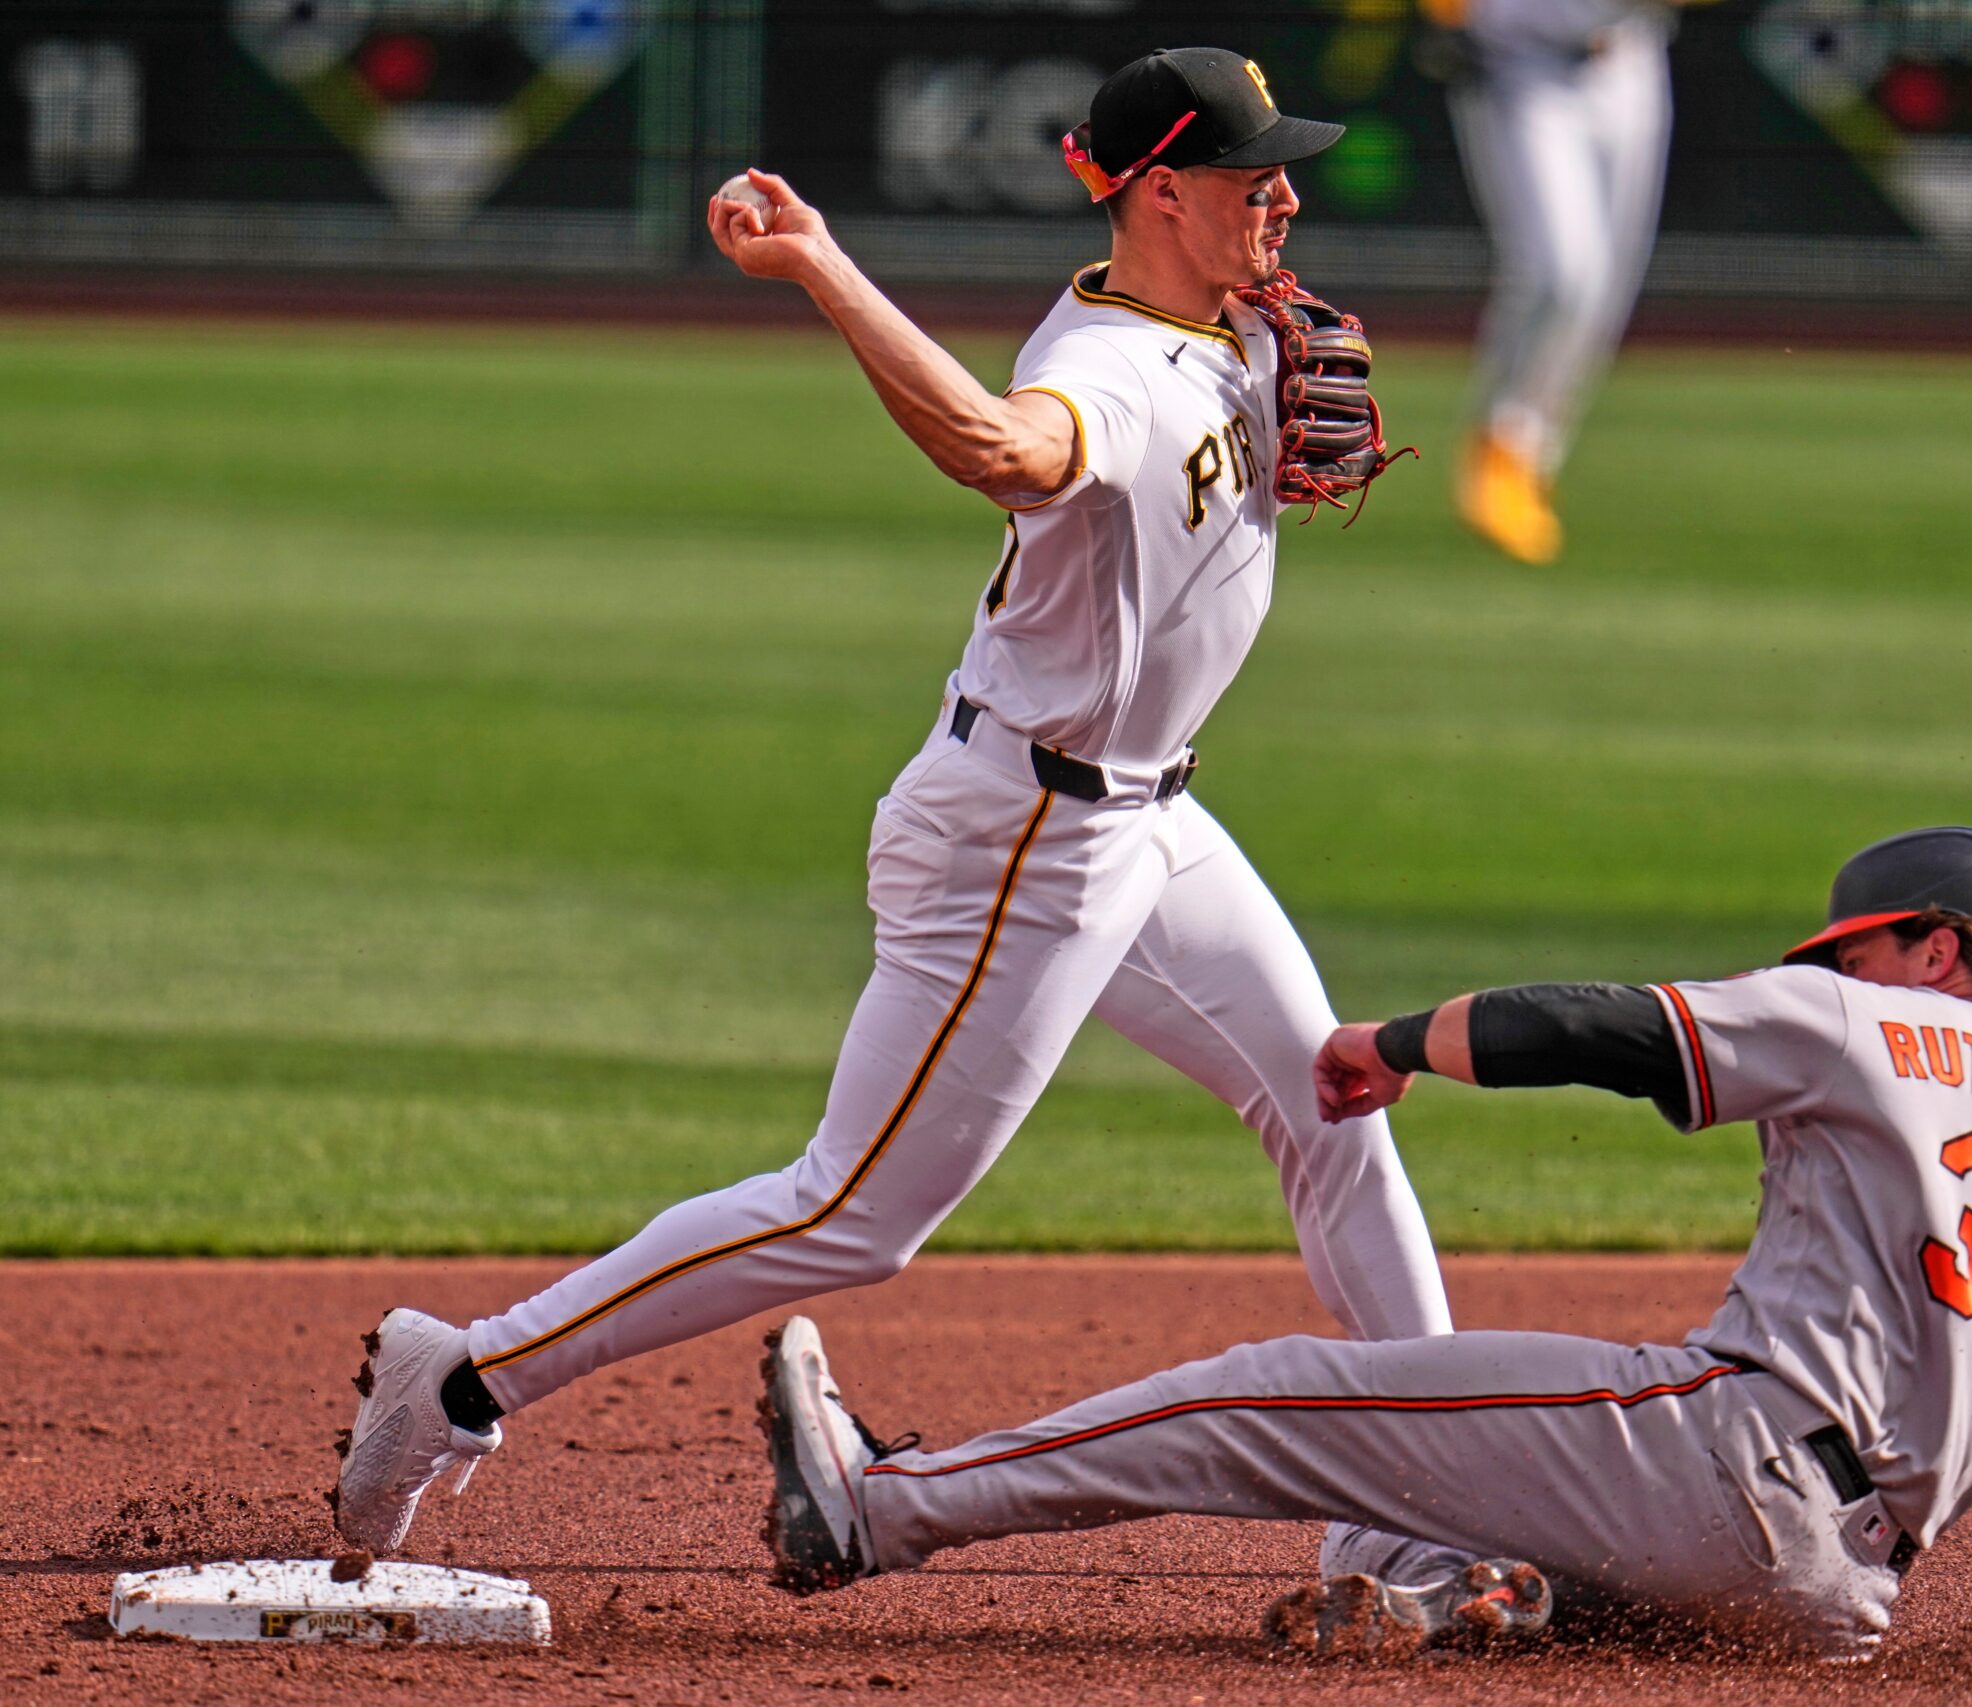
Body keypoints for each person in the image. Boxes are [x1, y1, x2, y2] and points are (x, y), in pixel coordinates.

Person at [333, 47, 1455, 1559]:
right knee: (852, 1212)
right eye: (1253, 175)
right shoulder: (1110, 368)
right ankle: (462, 1373)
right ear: (1162, 194)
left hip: (1152, 822)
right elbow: (1000, 445)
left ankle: (1447, 1482)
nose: (1287, 199)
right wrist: (823, 266)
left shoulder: (1233, 321)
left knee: (1328, 1097)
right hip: (1024, 838)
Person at [752, 827, 1972, 1662]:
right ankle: (1478, 1589)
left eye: (1853, 942)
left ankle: (877, 1503)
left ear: (1931, 946)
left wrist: (1395, 1041)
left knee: (1275, 1394)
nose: (1829, 965)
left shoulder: (1873, 1022)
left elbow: (1614, 1027)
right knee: (1503, 1485)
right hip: (1838, 1605)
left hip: (1725, 1468)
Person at [1424, 0, 1681, 564]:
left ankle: (1529, 455)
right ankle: (1502, 443)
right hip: (1519, 60)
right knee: (1562, 274)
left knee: (1606, 289)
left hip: (1628, 59)